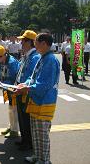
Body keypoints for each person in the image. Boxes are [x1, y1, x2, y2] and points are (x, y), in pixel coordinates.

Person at [16, 33, 60, 164]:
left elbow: (45, 84)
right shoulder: (42, 57)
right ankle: (37, 155)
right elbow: (33, 77)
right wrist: (26, 83)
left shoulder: (50, 59)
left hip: (45, 101)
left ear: (44, 43)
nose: (34, 45)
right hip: (36, 99)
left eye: (36, 42)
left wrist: (27, 88)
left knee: (42, 134)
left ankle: (44, 160)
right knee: (35, 132)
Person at [15, 30, 40, 151]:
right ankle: (24, 139)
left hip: (26, 90)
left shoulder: (35, 57)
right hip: (20, 88)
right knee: (21, 115)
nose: (21, 43)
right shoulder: (26, 55)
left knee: (26, 117)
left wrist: (23, 85)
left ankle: (28, 142)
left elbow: (32, 76)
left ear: (30, 42)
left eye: (23, 41)